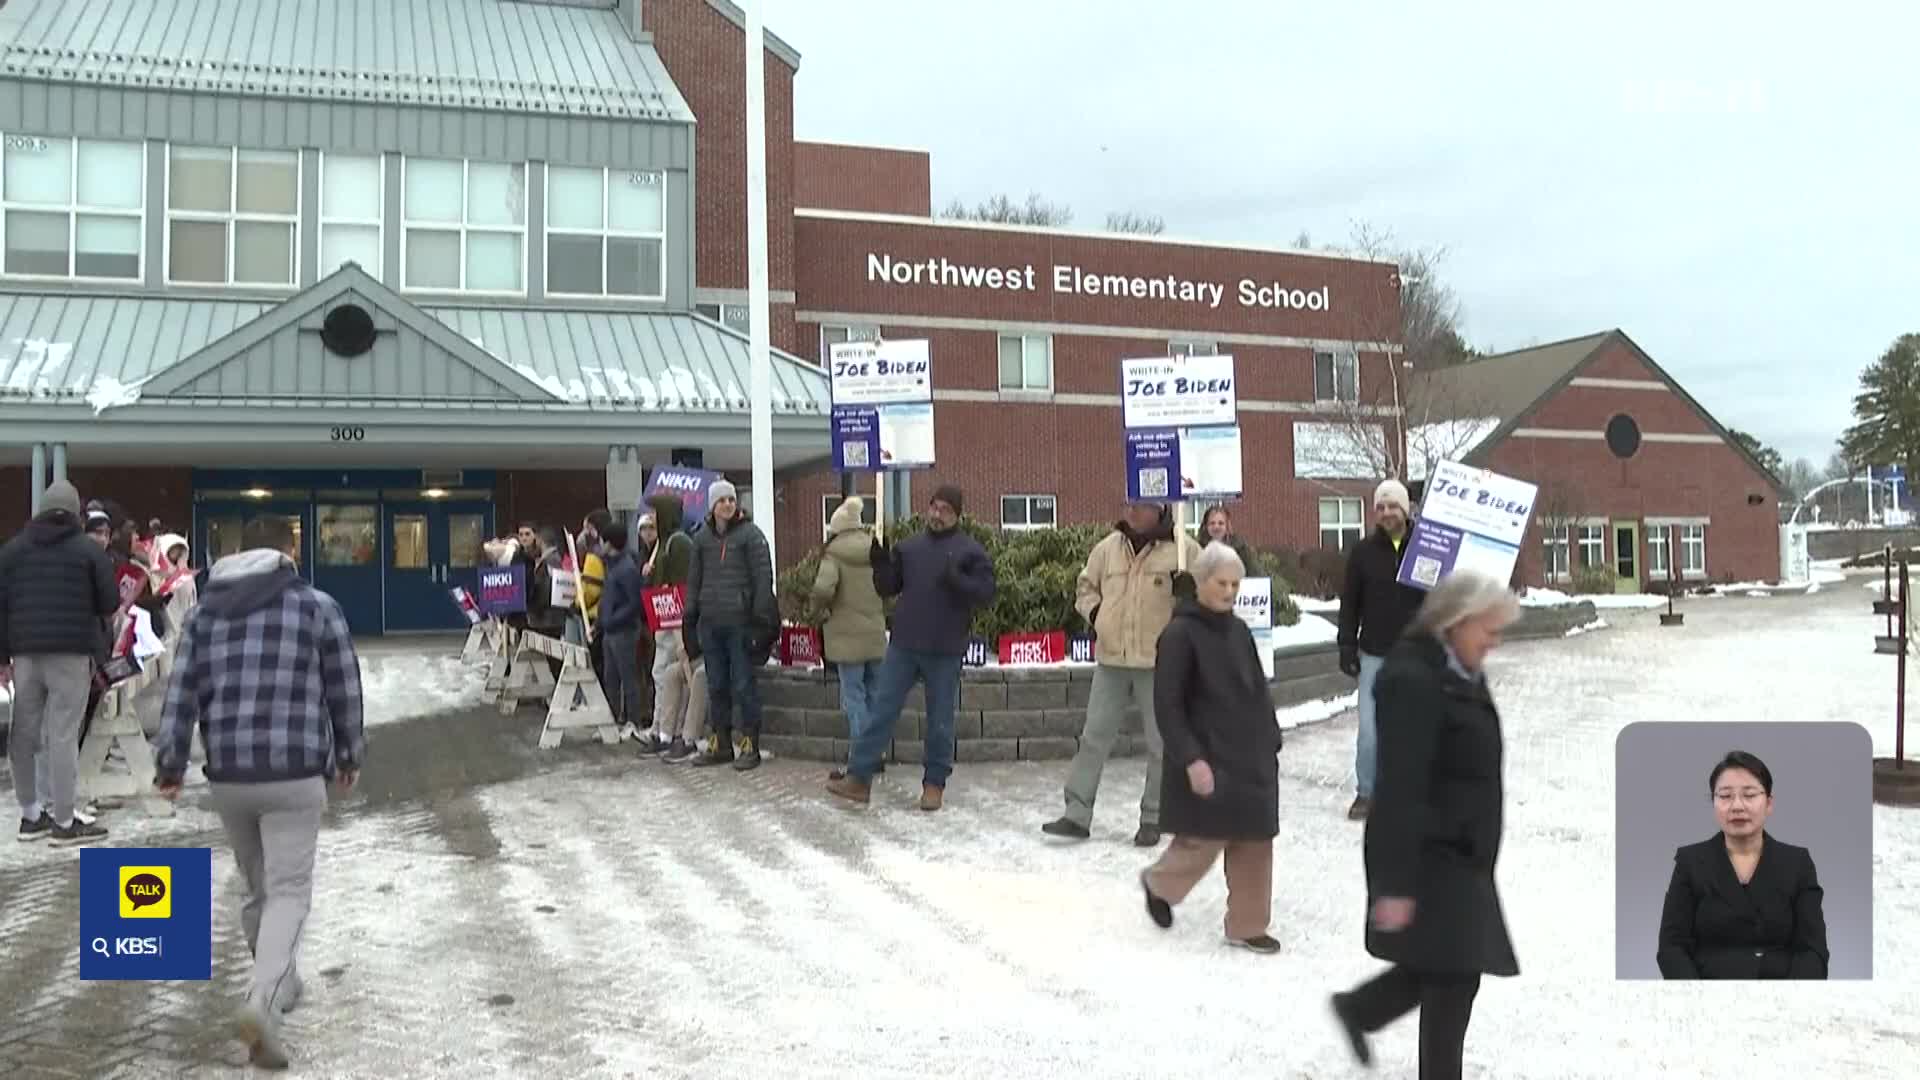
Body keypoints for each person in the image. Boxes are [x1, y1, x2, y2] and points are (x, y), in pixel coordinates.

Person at [153, 515, 363, 1069]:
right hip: (294, 772)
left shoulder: (202, 615)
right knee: (289, 890)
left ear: (238, 550)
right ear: (289, 549)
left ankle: (281, 980)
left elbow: (181, 693)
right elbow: (343, 685)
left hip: (230, 776)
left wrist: (170, 764)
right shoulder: (317, 606)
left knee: (258, 886)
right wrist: (349, 754)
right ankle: (261, 1002)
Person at [1330, 571, 1520, 1080]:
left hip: (1461, 851)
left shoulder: (1457, 670)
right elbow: (1399, 788)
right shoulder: (1413, 679)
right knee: (1454, 976)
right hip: (1431, 852)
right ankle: (1368, 1016)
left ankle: (1362, 1010)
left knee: (1446, 968)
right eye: (1489, 628)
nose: (1494, 640)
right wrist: (1392, 886)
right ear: (1456, 622)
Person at [1135, 543, 1280, 953]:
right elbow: (1167, 704)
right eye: (1222, 583)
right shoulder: (1179, 635)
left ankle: (1247, 925)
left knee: (1255, 839)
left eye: (1236, 584)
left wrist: (1271, 735)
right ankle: (1159, 884)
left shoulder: (1239, 630)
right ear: (1200, 582)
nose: (1230, 591)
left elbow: (1257, 688)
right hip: (1208, 754)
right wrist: (1191, 758)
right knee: (1204, 837)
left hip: (1251, 755)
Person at [827, 485, 996, 812]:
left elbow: (987, 593)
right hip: (904, 645)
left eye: (945, 509)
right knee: (881, 712)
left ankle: (934, 785)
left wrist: (959, 581)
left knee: (940, 720)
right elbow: (889, 588)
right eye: (934, 507)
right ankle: (859, 778)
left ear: (957, 515)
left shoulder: (970, 551)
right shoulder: (909, 548)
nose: (937, 514)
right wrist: (879, 565)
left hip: (945, 649)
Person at [1044, 500, 1200, 846]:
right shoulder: (1107, 549)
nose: (1132, 511)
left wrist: (1190, 595)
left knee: (1161, 744)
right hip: (1112, 659)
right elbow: (1085, 588)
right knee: (1093, 738)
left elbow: (1213, 594)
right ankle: (1076, 814)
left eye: (1141, 506)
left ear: (1159, 508)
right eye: (1129, 504)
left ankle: (1155, 817)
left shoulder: (1184, 551)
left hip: (1159, 663)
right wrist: (1098, 614)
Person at [0, 481, 117, 845]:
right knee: (62, 734)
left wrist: (3, 658)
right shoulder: (87, 550)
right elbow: (109, 602)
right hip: (71, 653)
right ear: (75, 513)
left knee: (23, 732)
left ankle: (31, 815)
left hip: (25, 655)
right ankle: (64, 822)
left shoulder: (12, 551)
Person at [1655, 750, 1828, 979]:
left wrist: (1791, 1001)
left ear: (1768, 803)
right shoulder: (1690, 862)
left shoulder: (1797, 863)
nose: (1737, 806)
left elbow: (1813, 952)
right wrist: (1694, 1000)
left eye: (1749, 795)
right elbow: (1671, 949)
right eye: (1725, 796)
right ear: (1713, 802)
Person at [1336, 478, 1426, 821]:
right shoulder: (1362, 553)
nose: (1387, 512)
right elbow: (1350, 603)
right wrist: (1346, 645)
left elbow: (1446, 599)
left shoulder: (1428, 547)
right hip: (1374, 653)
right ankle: (1367, 792)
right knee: (1371, 729)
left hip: (1417, 653)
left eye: (1393, 506)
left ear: (1405, 509)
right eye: (1381, 507)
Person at [684, 480, 777, 770]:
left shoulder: (751, 536)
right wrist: (690, 619)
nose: (727, 504)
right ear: (712, 506)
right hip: (711, 624)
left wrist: (760, 622)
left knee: (743, 685)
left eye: (731, 499)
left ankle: (750, 743)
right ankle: (721, 741)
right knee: (717, 685)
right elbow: (693, 582)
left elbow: (764, 580)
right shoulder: (700, 540)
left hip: (740, 624)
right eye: (721, 500)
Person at [810, 496, 887, 782]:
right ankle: (876, 752)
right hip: (875, 635)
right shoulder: (874, 549)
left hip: (845, 638)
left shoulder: (834, 553)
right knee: (875, 695)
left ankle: (861, 757)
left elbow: (822, 589)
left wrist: (817, 610)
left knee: (854, 698)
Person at [641, 493, 703, 760]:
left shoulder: (678, 543)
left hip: (673, 619)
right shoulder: (664, 544)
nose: (653, 519)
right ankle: (662, 728)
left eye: (656, 513)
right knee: (660, 674)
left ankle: (669, 729)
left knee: (668, 673)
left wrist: (680, 631)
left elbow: (681, 585)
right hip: (662, 617)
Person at [594, 519, 645, 732]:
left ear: (609, 542)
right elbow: (608, 598)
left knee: (627, 676)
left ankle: (633, 720)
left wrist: (612, 619)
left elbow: (634, 602)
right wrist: (600, 622)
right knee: (611, 677)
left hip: (624, 631)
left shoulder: (626, 568)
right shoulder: (611, 566)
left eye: (602, 540)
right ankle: (612, 718)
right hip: (610, 630)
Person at [1199, 505, 1256, 571]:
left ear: (1227, 526)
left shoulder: (1240, 547)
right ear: (1206, 526)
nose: (1216, 527)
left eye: (1221, 523)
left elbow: (1254, 573)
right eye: (1212, 523)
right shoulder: (1198, 548)